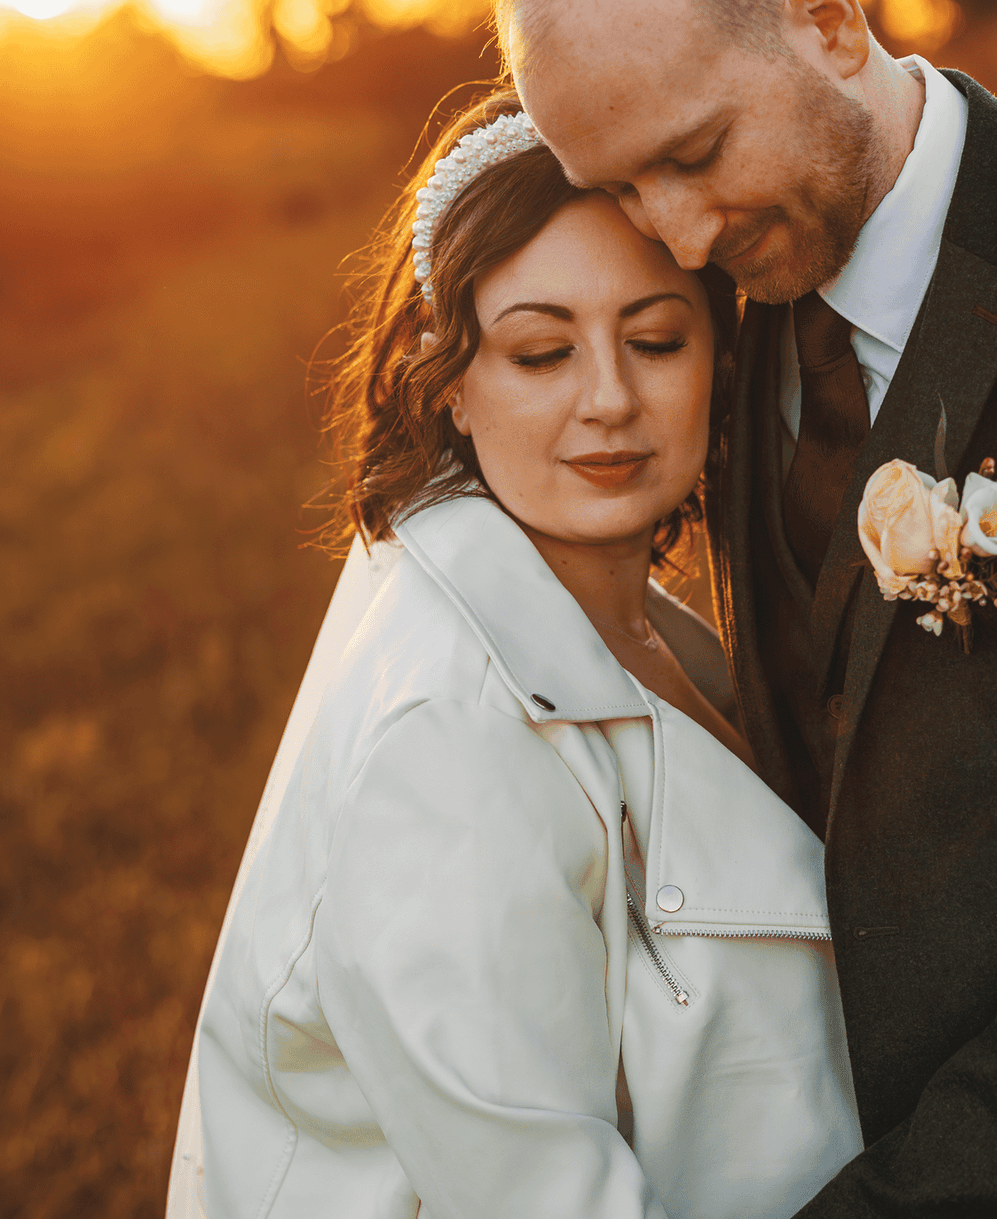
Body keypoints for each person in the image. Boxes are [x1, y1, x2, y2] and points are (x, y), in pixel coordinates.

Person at [501, 0, 997, 1216]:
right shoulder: (717, 309)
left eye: (695, 152)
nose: (677, 234)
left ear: (824, 19)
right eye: (621, 186)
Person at [166, 90, 863, 1219]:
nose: (610, 399)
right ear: (448, 383)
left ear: (719, 358)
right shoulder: (446, 746)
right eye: (541, 353)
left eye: (655, 340)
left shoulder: (639, 624)